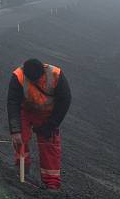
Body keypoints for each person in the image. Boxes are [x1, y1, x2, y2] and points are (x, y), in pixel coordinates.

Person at [7, 58, 72, 190]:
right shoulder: (18, 76)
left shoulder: (56, 75)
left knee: (50, 144)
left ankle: (51, 182)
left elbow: (65, 101)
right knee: (21, 140)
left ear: (43, 71)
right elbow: (12, 102)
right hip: (25, 110)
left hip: (47, 114)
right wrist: (15, 130)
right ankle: (22, 170)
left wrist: (51, 125)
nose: (35, 82)